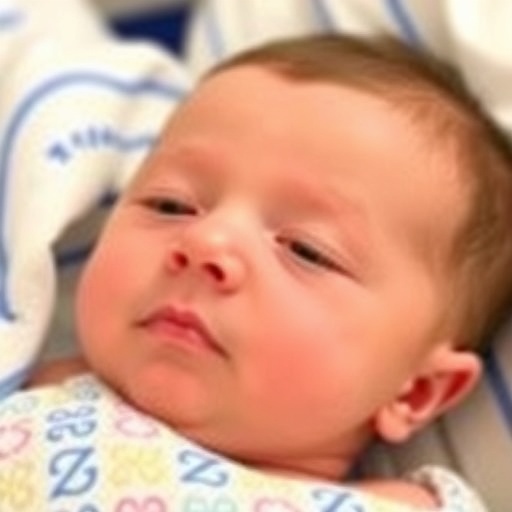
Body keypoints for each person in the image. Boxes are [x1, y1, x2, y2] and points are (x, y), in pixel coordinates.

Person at [4, 33, 512, 510]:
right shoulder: (32, 382)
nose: (204, 243)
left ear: (416, 391)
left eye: (307, 251)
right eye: (170, 204)